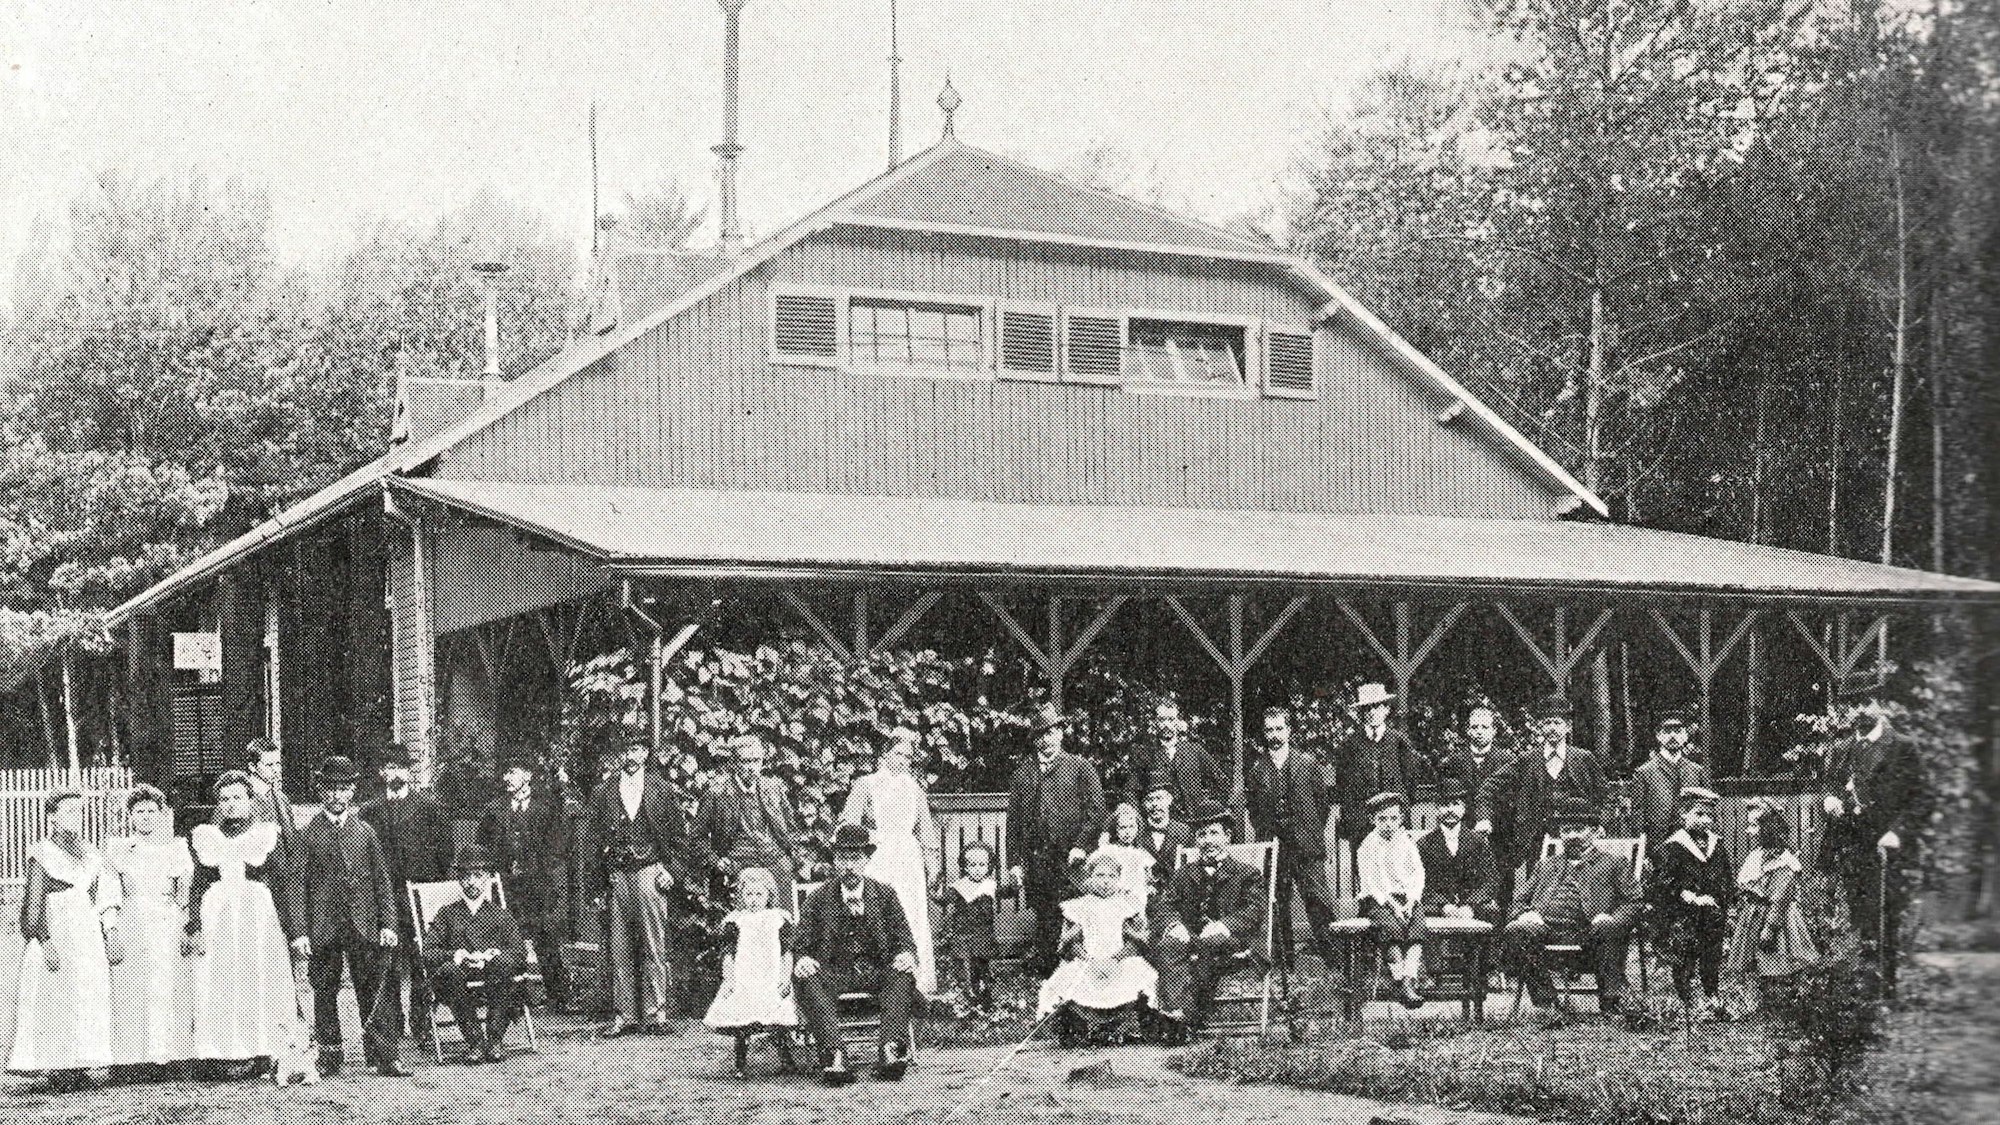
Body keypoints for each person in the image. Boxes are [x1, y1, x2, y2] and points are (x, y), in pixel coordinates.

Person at [184, 771, 308, 1078]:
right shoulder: (206, 837)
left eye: (238, 798)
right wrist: (195, 925)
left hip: (257, 914)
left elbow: (284, 883)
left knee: (260, 977)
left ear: (251, 801)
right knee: (221, 979)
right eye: (224, 799)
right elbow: (199, 884)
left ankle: (263, 1048)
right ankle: (224, 1051)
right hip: (218, 916)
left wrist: (294, 931)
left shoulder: (267, 834)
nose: (231, 805)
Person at [298, 755, 408, 1077]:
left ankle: (383, 1055)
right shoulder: (308, 834)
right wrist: (301, 932)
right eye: (331, 789)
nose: (337, 796)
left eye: (344, 789)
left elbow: (382, 882)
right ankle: (330, 1055)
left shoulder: (365, 832)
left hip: (364, 924)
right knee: (324, 988)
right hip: (324, 927)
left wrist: (387, 923)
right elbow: (298, 887)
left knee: (373, 986)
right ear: (321, 792)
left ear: (352, 791)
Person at [8, 789, 123, 1092]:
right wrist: (43, 940)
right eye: (68, 811)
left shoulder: (92, 853)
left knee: (86, 994)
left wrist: (109, 932)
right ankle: (58, 1065)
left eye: (78, 811)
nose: (75, 816)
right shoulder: (42, 852)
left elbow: (104, 896)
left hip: (86, 931)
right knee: (54, 996)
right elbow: (33, 902)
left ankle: (81, 1060)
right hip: (56, 929)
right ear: (52, 817)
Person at [792, 823, 919, 1085]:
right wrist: (802, 958)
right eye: (842, 858)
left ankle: (891, 1050)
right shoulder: (818, 898)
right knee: (806, 978)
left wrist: (906, 953)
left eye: (855, 858)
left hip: (877, 971)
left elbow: (903, 936)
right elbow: (801, 940)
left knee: (902, 974)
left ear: (866, 859)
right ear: (835, 860)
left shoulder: (885, 894)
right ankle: (834, 1055)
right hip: (834, 972)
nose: (848, 866)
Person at [1818, 700, 1925, 997]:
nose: (1859, 710)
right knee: (1856, 914)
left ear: (1880, 706)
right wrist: (1830, 799)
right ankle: (1858, 986)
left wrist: (1897, 832)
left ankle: (1886, 987)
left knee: (1886, 914)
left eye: (1867, 702)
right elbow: (1831, 785)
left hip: (1886, 848)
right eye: (1852, 704)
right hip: (1851, 845)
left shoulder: (1902, 747)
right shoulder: (1841, 749)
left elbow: (1920, 799)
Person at [586, 736, 692, 1037]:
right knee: (619, 945)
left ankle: (656, 1012)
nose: (630, 756)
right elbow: (592, 841)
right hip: (617, 873)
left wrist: (672, 870)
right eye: (624, 750)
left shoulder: (661, 789)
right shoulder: (604, 792)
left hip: (650, 870)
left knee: (653, 943)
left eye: (635, 750)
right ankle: (625, 1014)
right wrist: (596, 886)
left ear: (645, 753)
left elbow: (679, 837)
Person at [1503, 797, 1640, 1023]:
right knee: (1516, 931)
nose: (1572, 835)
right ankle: (1547, 1004)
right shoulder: (1546, 865)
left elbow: (1634, 902)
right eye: (1567, 830)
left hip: (1589, 933)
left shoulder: (1615, 863)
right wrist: (1526, 915)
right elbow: (1517, 902)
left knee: (1608, 929)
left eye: (1580, 829)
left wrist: (1612, 918)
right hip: (1545, 931)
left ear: (1595, 832)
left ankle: (1611, 1004)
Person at [361, 743, 454, 1052]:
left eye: (401, 767)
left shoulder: (428, 807)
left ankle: (422, 1022)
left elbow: (445, 851)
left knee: (421, 960)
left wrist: (430, 887)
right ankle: (393, 1022)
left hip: (418, 894)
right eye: (389, 767)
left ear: (409, 772)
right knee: (385, 961)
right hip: (384, 898)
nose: (395, 773)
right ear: (382, 772)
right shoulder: (370, 811)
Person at [1006, 703, 1106, 976]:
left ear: (1061, 733)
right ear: (1035, 739)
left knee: (1074, 910)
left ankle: (1080, 969)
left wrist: (1081, 845)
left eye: (1051, 732)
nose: (1046, 739)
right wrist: (1014, 862)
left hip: (1071, 858)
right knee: (1045, 912)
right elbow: (1013, 820)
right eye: (1040, 734)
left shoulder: (1080, 767)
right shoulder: (1023, 773)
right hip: (1038, 858)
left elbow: (1097, 811)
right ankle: (1049, 968)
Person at [1152, 799, 1265, 1042]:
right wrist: (1175, 926)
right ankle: (1177, 1013)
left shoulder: (1247, 873)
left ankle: (1187, 1015)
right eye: (1202, 834)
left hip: (1235, 941)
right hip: (1195, 939)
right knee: (1168, 945)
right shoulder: (1184, 873)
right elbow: (1165, 905)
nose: (1208, 840)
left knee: (1207, 947)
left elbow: (1254, 911)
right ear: (1196, 840)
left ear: (1227, 836)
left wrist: (1223, 925)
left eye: (1214, 833)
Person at [841, 726, 941, 993]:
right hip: (878, 858)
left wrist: (932, 867)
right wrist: (874, 837)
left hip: (908, 859)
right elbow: (847, 825)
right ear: (885, 754)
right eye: (898, 754)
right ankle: (878, 978)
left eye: (908, 757)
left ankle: (915, 980)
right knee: (879, 912)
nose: (903, 761)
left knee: (911, 914)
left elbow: (926, 831)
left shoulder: (915, 789)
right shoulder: (866, 785)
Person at [106, 784, 194, 1077]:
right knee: (132, 988)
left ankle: (170, 1056)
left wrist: (183, 925)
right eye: (139, 812)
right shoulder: (119, 850)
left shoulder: (176, 848)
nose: (145, 817)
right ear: (130, 816)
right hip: (132, 922)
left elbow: (184, 894)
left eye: (151, 812)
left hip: (167, 922)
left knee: (169, 986)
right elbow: (109, 894)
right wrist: (112, 931)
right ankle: (132, 1060)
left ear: (161, 814)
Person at [477, 752, 572, 1010]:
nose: (508, 778)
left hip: (538, 884)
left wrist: (544, 871)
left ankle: (558, 995)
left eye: (514, 772)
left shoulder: (547, 807)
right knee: (508, 937)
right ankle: (514, 997)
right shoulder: (494, 810)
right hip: (506, 885)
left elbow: (558, 845)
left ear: (528, 776)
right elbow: (482, 846)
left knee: (546, 935)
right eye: (506, 773)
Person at [1245, 705, 1337, 968]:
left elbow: (1322, 803)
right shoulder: (1257, 770)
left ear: (1289, 730)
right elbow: (1253, 808)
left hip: (1306, 845)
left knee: (1318, 900)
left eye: (1279, 728)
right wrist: (1267, 832)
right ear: (1264, 733)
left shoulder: (1307, 763)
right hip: (1275, 846)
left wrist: (1309, 830)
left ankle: (1333, 959)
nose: (1274, 734)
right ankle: (1285, 964)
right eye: (1269, 730)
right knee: (1277, 903)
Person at [1477, 695, 1608, 873]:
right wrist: (1484, 819)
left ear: (1568, 727)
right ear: (1541, 727)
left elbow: (1605, 794)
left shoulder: (1583, 758)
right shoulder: (1527, 759)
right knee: (1539, 891)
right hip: (1536, 841)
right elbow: (1489, 787)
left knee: (1577, 886)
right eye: (1547, 723)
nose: (1551, 728)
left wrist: (1599, 823)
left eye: (1557, 723)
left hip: (1576, 836)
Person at [423, 844, 528, 1065]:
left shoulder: (501, 915)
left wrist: (494, 955)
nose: (471, 882)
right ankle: (475, 1042)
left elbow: (519, 954)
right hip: (458, 982)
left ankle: (495, 1039)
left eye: (478, 876)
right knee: (449, 972)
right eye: (465, 876)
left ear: (489, 878)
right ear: (459, 880)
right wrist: (457, 955)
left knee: (502, 965)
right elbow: (429, 952)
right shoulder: (447, 914)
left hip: (494, 979)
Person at [1038, 852, 1158, 1046]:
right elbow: (1071, 942)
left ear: (1119, 879)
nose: (1105, 882)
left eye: (1112, 876)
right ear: (1089, 878)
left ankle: (1123, 1028)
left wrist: (1115, 959)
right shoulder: (1078, 906)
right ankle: (1084, 1028)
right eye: (1100, 876)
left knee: (1136, 975)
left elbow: (1135, 941)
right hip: (1087, 959)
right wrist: (1087, 959)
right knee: (1073, 979)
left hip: (1119, 958)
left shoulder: (1127, 905)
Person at [1647, 786, 1734, 1020]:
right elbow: (1662, 883)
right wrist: (1685, 895)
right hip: (1682, 911)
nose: (1705, 820)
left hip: (1711, 911)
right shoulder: (1674, 846)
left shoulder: (1717, 844)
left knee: (1712, 950)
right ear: (1684, 815)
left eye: (1709, 816)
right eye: (1699, 814)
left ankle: (1711, 992)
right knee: (1684, 949)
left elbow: (1725, 876)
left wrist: (1725, 900)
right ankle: (1687, 995)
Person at [694, 733, 806, 914]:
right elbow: (696, 837)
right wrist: (717, 861)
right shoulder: (716, 792)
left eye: (756, 761)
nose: (752, 767)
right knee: (743, 928)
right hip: (737, 864)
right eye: (746, 761)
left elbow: (792, 829)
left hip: (774, 861)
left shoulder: (774, 788)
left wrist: (793, 858)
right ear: (734, 763)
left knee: (781, 923)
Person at [703, 867, 797, 1078]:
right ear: (741, 896)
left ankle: (786, 1058)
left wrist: (785, 977)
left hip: (770, 976)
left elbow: (787, 952)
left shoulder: (778, 919)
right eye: (748, 894)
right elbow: (728, 954)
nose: (753, 899)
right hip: (745, 977)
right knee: (742, 1021)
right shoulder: (735, 921)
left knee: (776, 1018)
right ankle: (740, 1063)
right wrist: (729, 979)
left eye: (759, 894)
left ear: (768, 895)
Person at [1728, 803, 1820, 1011]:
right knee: (1752, 957)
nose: (1749, 831)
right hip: (1754, 913)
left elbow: (1779, 899)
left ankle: (1784, 1000)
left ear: (1768, 829)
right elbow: (1745, 884)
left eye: (1754, 826)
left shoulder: (1784, 863)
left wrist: (1769, 927)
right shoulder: (1755, 856)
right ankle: (1756, 1000)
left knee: (1777, 953)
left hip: (1777, 916)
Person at [1329, 684, 1427, 847]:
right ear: (1361, 713)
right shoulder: (1349, 745)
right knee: (1363, 869)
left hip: (1394, 825)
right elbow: (1343, 785)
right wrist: (1353, 819)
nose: (1372, 713)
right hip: (1361, 826)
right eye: (1367, 709)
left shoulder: (1399, 742)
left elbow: (1411, 779)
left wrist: (1400, 811)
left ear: (1386, 709)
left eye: (1376, 707)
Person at [1440, 704, 1520, 899]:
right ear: (1468, 730)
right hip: (1464, 830)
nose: (1479, 732)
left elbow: (1513, 797)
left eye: (1485, 727)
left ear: (1494, 731)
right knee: (1467, 881)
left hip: (1500, 833)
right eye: (1475, 727)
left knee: (1502, 882)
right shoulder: (1454, 761)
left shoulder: (1508, 759)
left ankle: (1502, 925)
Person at [1355, 792, 1427, 1008]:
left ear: (1401, 819)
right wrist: (1394, 906)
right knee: (1391, 930)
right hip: (1377, 899)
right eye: (1382, 819)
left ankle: (1408, 981)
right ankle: (1399, 981)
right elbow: (1371, 883)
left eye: (1394, 819)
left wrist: (1412, 901)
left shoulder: (1406, 842)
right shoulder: (1367, 846)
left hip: (1405, 898)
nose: (1389, 824)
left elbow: (1418, 874)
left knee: (1417, 929)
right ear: (1373, 820)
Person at [1417, 779, 1502, 925]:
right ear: (1436, 809)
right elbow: (1420, 883)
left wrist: (1470, 906)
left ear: (1463, 809)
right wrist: (1444, 906)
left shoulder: (1479, 841)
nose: (1450, 810)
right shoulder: (1424, 844)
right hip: (1437, 907)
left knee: (1494, 913)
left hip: (1473, 906)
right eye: (1444, 805)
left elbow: (1490, 880)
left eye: (1455, 804)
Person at [1122, 695, 1226, 812]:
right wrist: (1141, 816)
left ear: (1178, 721)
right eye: (1162, 720)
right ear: (1155, 722)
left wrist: (1212, 809)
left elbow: (1221, 781)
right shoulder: (1145, 754)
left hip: (1194, 821)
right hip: (1162, 824)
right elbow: (1130, 791)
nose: (1166, 725)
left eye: (1171, 719)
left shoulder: (1195, 751)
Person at [1633, 709, 1714, 844]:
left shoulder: (1697, 771)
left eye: (1678, 731)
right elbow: (1638, 815)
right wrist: (1643, 849)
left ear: (1686, 736)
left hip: (1691, 846)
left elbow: (1707, 810)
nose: (1672, 736)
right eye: (1667, 731)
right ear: (1658, 736)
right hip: (1658, 846)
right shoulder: (1644, 773)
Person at [940, 841, 1000, 1012]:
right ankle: (969, 998)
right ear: (964, 867)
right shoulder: (960, 887)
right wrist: (935, 892)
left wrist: (1016, 884)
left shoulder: (990, 885)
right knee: (966, 968)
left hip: (983, 935)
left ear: (989, 866)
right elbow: (944, 899)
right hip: (964, 936)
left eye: (982, 865)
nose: (977, 869)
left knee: (983, 965)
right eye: (972, 865)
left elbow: (1007, 892)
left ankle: (985, 997)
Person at [1133, 776, 1191, 917]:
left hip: (1178, 904)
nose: (1155, 805)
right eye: (1149, 800)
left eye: (1159, 798)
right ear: (1144, 805)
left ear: (1169, 800)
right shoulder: (1135, 833)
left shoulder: (1184, 831)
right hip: (1144, 904)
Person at [1093, 802, 1155, 909]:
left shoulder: (1141, 853)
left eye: (1131, 827)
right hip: (1113, 899)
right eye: (1123, 828)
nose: (1127, 832)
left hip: (1137, 900)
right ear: (1116, 829)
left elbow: (1149, 879)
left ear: (1137, 828)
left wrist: (1148, 887)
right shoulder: (1110, 851)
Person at [795, 793, 838, 884]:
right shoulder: (797, 830)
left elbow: (832, 853)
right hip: (803, 874)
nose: (808, 821)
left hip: (822, 874)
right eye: (804, 817)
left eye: (811, 816)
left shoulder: (824, 829)